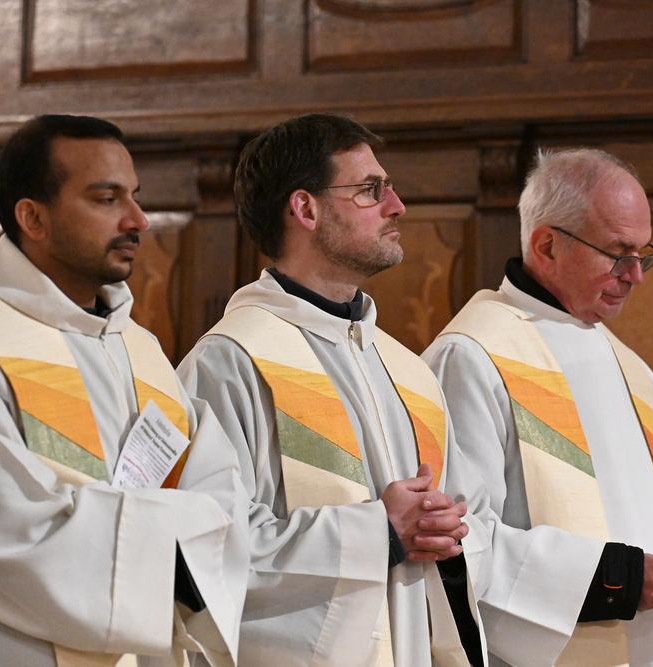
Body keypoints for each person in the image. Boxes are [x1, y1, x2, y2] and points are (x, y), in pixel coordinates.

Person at [0, 114, 247, 667]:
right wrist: (170, 546)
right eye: (106, 199)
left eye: (135, 197)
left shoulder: (139, 348)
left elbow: (220, 487)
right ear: (33, 217)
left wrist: (169, 547)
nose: (138, 219)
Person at [177, 113, 482, 666]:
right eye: (371, 190)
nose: (397, 206)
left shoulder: (406, 369)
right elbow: (205, 551)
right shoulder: (231, 361)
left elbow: (463, 525)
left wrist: (447, 531)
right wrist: (378, 533)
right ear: (305, 209)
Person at [422, 148, 653, 666]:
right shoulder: (473, 357)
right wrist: (613, 580)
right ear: (546, 245)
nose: (636, 275)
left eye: (642, 254)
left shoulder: (632, 370)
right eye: (617, 253)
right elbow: (457, 538)